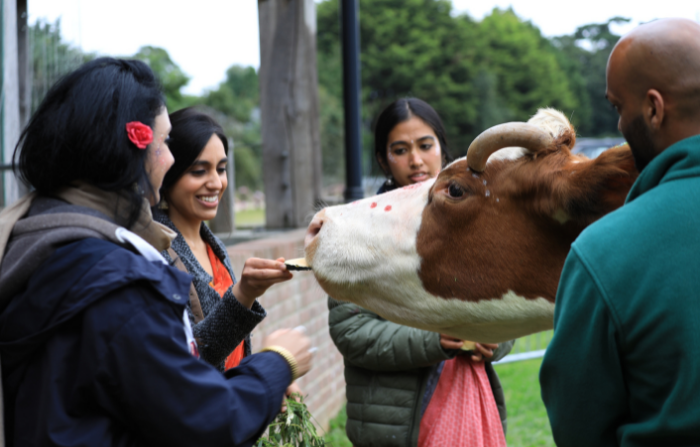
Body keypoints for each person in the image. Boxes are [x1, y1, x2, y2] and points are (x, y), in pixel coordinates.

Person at [0, 58, 312, 447]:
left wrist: (248, 379)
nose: (169, 158)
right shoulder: (117, 279)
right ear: (132, 148)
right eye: (165, 144)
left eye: (222, 168)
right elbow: (201, 418)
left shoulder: (39, 237)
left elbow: (153, 394)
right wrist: (275, 364)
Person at [540, 18, 700, 446]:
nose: (618, 126)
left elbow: (579, 427)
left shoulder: (603, 253)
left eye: (617, 107)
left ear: (653, 108)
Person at [328, 98, 514, 447]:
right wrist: (435, 341)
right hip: (394, 427)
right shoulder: (360, 230)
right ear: (384, 160)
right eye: (400, 150)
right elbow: (351, 332)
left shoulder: (474, 226)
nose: (415, 159)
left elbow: (503, 309)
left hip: (471, 409)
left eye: (425, 146)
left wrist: (496, 340)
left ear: (443, 150)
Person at [153, 107, 300, 396]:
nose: (216, 183)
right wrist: (244, 294)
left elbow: (229, 353)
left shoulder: (215, 247)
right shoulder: (157, 253)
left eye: (221, 169)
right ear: (167, 174)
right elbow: (187, 360)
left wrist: (260, 378)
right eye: (199, 171)